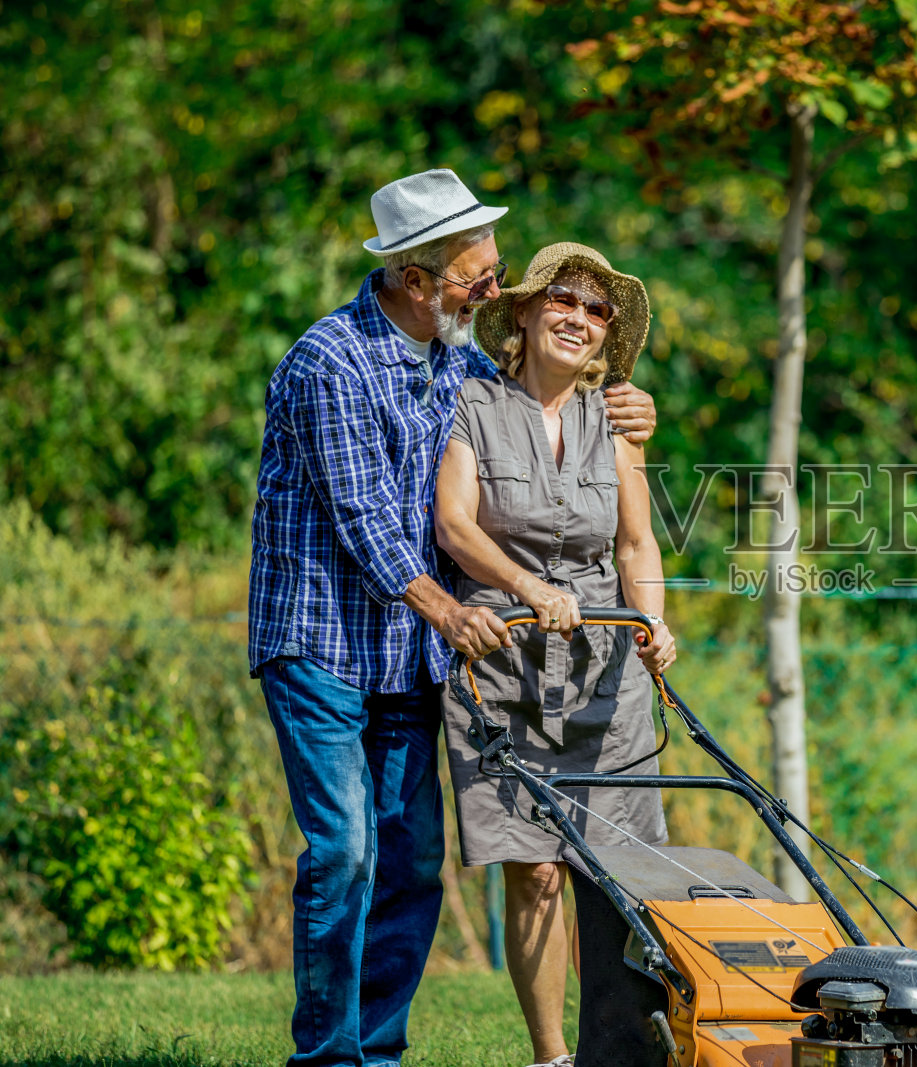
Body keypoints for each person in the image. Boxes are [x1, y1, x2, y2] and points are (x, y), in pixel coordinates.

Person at [249, 172, 658, 1067]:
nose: (491, 290)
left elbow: (541, 397)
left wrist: (629, 403)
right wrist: (447, 609)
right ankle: (328, 1058)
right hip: (319, 639)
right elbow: (362, 521)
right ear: (413, 278)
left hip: (405, 655)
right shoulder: (330, 361)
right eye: (477, 278)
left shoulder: (459, 364)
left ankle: (379, 1051)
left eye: (495, 270)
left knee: (409, 861)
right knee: (347, 849)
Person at [434, 242, 678, 1067]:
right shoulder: (474, 404)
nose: (580, 317)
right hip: (503, 667)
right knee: (534, 872)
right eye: (564, 301)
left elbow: (638, 542)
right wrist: (524, 586)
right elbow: (455, 525)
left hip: (607, 674)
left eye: (597, 308)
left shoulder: (616, 418)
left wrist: (653, 623)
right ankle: (550, 1055)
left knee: (616, 877)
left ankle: (619, 1052)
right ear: (528, 312)